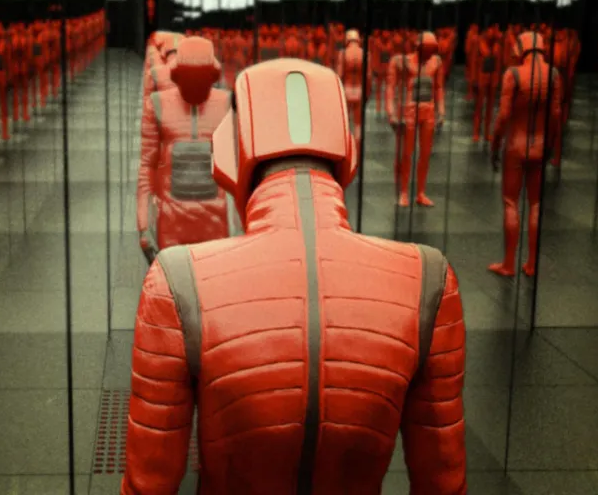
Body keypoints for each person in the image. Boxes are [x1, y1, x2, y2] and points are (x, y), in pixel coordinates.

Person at [122, 59, 466, 494]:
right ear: (347, 151)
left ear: (230, 153)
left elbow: (148, 483)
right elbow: (444, 481)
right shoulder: (430, 280)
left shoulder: (175, 282)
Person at [136, 37, 231, 264]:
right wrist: (144, 225)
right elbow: (147, 167)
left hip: (216, 226)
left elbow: (238, 172)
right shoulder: (158, 104)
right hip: (172, 226)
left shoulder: (227, 104)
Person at [488, 31, 562, 277]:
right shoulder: (553, 75)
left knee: (511, 202)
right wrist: (551, 144)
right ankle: (531, 263)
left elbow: (503, 116)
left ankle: (509, 263)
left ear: (521, 48)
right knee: (536, 204)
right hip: (540, 145)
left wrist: (494, 144)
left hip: (515, 145)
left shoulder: (513, 74)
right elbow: (555, 115)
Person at [387, 31, 445, 207]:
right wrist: (391, 112)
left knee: (425, 153)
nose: (429, 53)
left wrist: (441, 110)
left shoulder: (436, 62)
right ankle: (403, 191)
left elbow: (439, 87)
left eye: (432, 50)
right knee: (406, 153)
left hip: (428, 110)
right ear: (419, 47)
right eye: (427, 49)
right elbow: (391, 87)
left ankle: (420, 192)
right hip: (409, 111)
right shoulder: (402, 62)